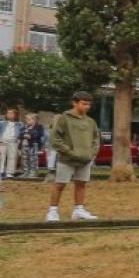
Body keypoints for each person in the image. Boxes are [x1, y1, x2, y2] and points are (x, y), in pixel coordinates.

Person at [46, 90, 100, 222]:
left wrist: (91, 153)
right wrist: (69, 152)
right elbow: (55, 139)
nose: (86, 107)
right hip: (67, 159)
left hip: (85, 160)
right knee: (60, 184)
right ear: (74, 103)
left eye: (88, 104)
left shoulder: (91, 122)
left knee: (81, 184)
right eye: (83, 103)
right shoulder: (63, 119)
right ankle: (52, 211)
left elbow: (96, 139)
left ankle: (78, 210)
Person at [21, 113, 48, 178]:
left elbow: (39, 134)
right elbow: (19, 134)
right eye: (27, 119)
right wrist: (24, 135)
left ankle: (33, 172)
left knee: (33, 159)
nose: (28, 121)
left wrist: (31, 135)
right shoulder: (24, 127)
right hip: (24, 145)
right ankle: (26, 172)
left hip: (33, 145)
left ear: (35, 120)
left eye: (30, 119)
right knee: (25, 159)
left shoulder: (39, 127)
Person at [0, 107, 20, 179]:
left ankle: (10, 172)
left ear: (16, 115)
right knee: (2, 157)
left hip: (13, 142)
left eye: (12, 113)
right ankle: (1, 171)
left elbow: (22, 132)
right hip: (3, 141)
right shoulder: (2, 123)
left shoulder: (19, 124)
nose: (10, 114)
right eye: (8, 113)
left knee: (12, 157)